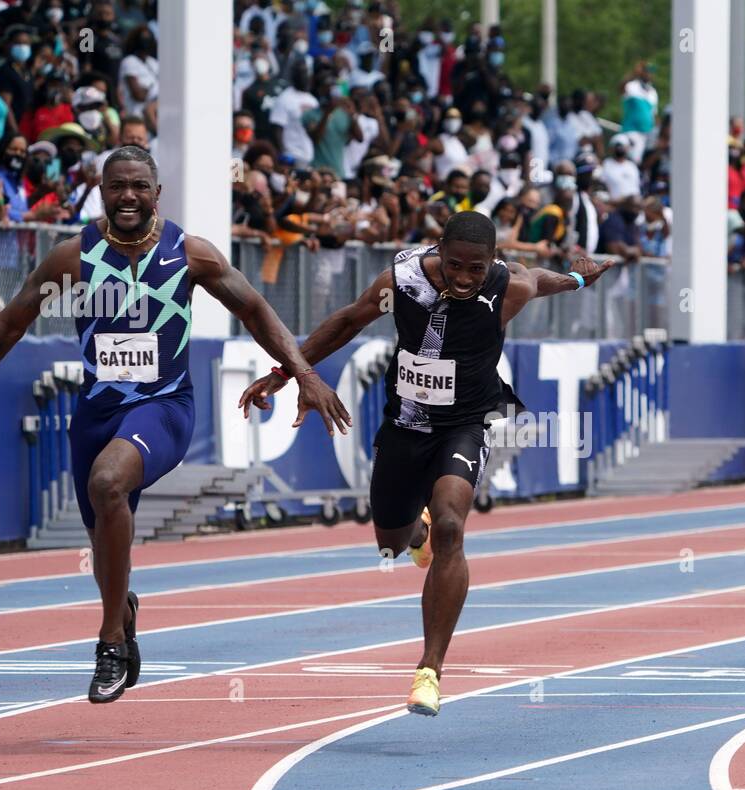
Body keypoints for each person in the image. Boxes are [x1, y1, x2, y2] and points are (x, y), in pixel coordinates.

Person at [0, 146, 346, 705]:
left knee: (108, 482)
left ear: (157, 193)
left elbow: (253, 309)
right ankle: (121, 608)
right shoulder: (73, 256)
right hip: (96, 414)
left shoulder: (190, 254)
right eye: (116, 186)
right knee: (105, 544)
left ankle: (109, 642)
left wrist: (301, 372)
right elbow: (9, 324)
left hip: (164, 408)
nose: (127, 195)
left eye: (138, 186)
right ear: (102, 191)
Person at [238, 211, 615, 717]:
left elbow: (537, 280)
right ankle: (416, 533)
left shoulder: (505, 287)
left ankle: (429, 670)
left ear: (490, 264)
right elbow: (349, 320)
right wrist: (285, 373)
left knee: (453, 528)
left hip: (466, 422)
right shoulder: (402, 280)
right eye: (456, 265)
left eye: (475, 270)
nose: (464, 279)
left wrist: (576, 277)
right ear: (439, 250)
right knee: (391, 545)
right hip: (405, 425)